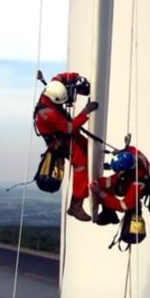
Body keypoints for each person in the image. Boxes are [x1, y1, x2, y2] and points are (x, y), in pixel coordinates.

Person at [33, 72, 98, 221]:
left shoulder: (52, 88)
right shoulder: (49, 113)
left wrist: (77, 78)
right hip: (60, 140)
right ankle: (76, 204)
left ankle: (93, 174)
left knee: (88, 147)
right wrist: (85, 112)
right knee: (81, 162)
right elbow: (70, 128)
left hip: (62, 134)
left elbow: (60, 77)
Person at [89, 146, 150, 225]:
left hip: (134, 184)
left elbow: (123, 206)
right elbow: (130, 148)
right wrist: (120, 151)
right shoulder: (133, 154)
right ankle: (108, 211)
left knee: (104, 189)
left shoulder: (137, 185)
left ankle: (109, 213)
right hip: (130, 176)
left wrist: (100, 192)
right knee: (102, 183)